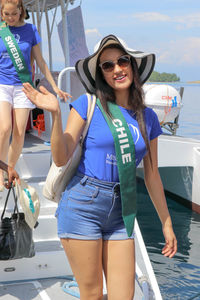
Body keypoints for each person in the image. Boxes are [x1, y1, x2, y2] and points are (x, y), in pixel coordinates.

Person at [22, 34, 177, 300]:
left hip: (121, 210)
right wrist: (55, 116)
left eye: (123, 61)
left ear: (133, 65)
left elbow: (152, 175)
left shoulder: (148, 117)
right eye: (108, 65)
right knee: (92, 294)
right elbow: (60, 158)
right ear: (101, 74)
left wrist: (167, 223)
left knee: (123, 295)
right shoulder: (87, 104)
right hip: (84, 204)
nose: (117, 69)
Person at [0, 0, 71, 191]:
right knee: (5, 128)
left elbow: (40, 62)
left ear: (21, 11)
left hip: (23, 86)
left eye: (13, 14)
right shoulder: (1, 30)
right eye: (6, 15)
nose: (10, 18)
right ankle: (0, 170)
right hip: (2, 85)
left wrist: (55, 88)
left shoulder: (31, 30)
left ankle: (11, 169)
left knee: (19, 131)